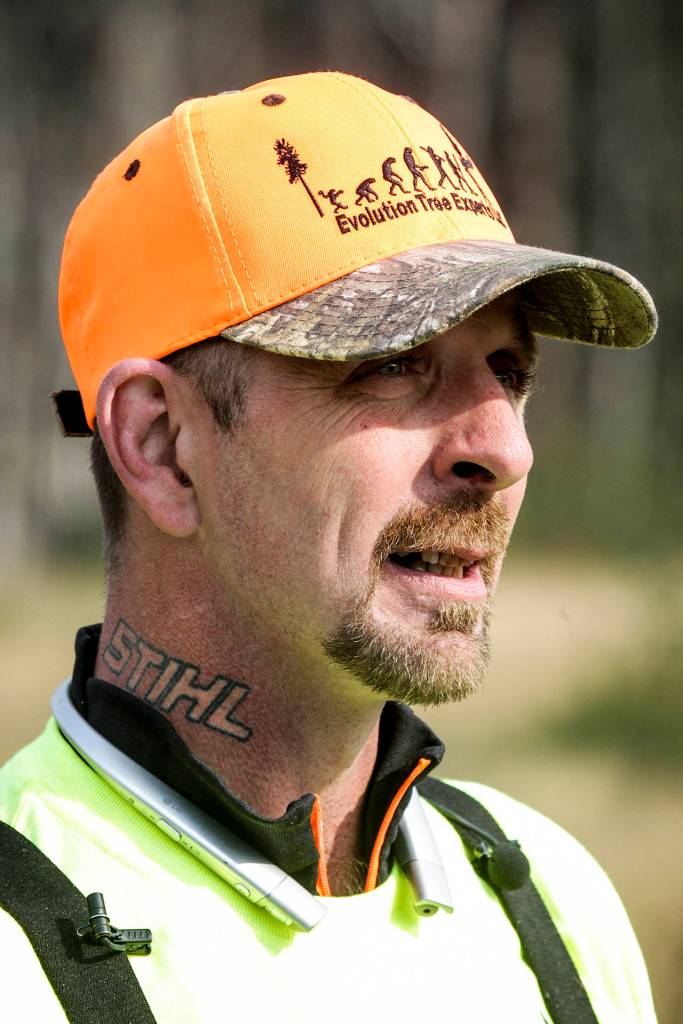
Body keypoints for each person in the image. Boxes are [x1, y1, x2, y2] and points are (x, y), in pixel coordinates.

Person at [0, 71, 659, 1023]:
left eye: (508, 372)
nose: (503, 450)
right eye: (392, 365)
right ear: (160, 447)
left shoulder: (549, 900)